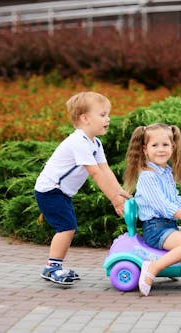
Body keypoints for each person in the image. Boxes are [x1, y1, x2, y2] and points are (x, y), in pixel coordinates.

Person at [34, 91, 130, 285]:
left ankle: (54, 266)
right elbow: (95, 173)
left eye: (107, 114)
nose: (108, 119)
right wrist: (113, 199)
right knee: (67, 227)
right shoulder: (78, 141)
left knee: (68, 227)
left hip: (60, 192)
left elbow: (105, 169)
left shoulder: (95, 142)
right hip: (50, 190)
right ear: (85, 118)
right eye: (102, 115)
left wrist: (120, 193)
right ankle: (52, 267)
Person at [123, 123, 181, 296]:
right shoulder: (148, 176)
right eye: (155, 145)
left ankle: (171, 266)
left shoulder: (165, 171)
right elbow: (162, 205)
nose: (161, 150)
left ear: (173, 147)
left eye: (165, 145)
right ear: (145, 149)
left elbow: (174, 198)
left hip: (167, 225)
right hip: (156, 229)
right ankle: (154, 267)